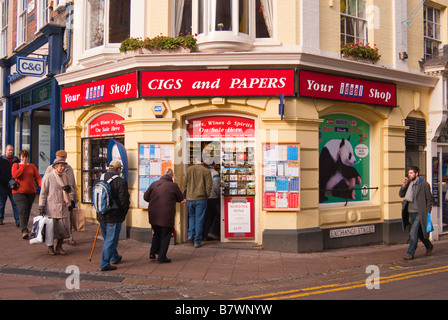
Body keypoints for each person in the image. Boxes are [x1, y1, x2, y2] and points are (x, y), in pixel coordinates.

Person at [144, 168, 185, 263]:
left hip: (153, 214)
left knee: (157, 233)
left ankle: (152, 252)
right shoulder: (173, 186)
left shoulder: (154, 184)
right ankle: (162, 257)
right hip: (166, 215)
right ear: (172, 176)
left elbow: (146, 197)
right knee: (165, 235)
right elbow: (180, 198)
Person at [95, 160, 130, 271]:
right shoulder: (120, 181)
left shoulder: (99, 178)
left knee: (108, 238)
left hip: (101, 213)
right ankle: (104, 264)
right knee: (111, 239)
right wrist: (124, 212)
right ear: (119, 169)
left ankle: (115, 257)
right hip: (114, 215)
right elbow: (124, 201)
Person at [39, 158, 75, 255]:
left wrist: (70, 198)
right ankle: (50, 247)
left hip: (63, 205)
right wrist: (41, 206)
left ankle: (59, 246)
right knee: (51, 229)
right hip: (51, 207)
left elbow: (71, 189)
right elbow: (43, 192)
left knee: (63, 228)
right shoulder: (49, 177)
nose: (63, 168)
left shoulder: (65, 176)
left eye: (63, 166)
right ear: (55, 167)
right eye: (61, 166)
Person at [399, 166, 434, 260]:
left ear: (416, 174)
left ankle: (410, 253)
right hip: (410, 212)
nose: (409, 175)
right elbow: (401, 195)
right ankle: (429, 246)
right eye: (409, 173)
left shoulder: (424, 184)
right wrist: (403, 185)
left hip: (420, 212)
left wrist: (427, 212)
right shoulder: (409, 183)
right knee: (419, 233)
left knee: (413, 233)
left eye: (411, 173)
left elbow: (429, 199)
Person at [45, 150, 79, 245]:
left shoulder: (69, 169)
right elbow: (45, 186)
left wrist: (74, 197)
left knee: (68, 220)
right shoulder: (50, 169)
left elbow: (72, 183)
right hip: (54, 200)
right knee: (55, 223)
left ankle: (69, 237)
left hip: (68, 199)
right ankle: (53, 242)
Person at [12, 149, 42, 239]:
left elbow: (38, 177)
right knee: (23, 209)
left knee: (27, 210)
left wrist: (43, 185)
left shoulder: (32, 166)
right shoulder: (16, 165)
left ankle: (24, 225)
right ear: (20, 157)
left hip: (30, 192)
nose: (24, 158)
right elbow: (15, 175)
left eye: (26, 157)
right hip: (18, 192)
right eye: (23, 157)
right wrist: (22, 166)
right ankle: (24, 230)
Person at [183, 157, 213, 248]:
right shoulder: (206, 171)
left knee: (191, 217)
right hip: (201, 198)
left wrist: (184, 196)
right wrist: (206, 195)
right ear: (203, 161)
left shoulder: (189, 170)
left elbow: (184, 185)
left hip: (190, 198)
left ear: (195, 160)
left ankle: (190, 235)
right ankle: (197, 241)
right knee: (199, 220)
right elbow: (209, 186)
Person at [0, 145, 20, 226]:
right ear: (5, 150)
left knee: (15, 203)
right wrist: (4, 181)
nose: (11, 151)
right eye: (9, 150)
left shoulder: (16, 160)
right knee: (1, 204)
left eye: (12, 150)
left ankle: (18, 220)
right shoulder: (1, 160)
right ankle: (0, 218)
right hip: (2, 186)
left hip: (13, 186)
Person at [202, 162, 221, 241]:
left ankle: (205, 235)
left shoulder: (203, 172)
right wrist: (219, 194)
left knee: (207, 217)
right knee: (218, 215)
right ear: (215, 165)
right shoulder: (215, 173)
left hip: (204, 197)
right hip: (213, 197)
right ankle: (212, 231)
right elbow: (216, 186)